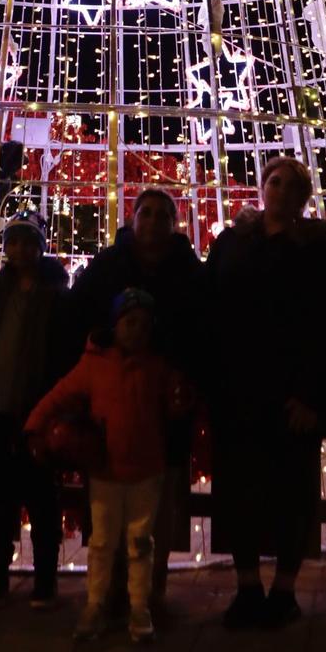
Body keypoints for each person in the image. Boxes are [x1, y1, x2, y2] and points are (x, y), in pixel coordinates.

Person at [204, 156, 326, 630]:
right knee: (238, 490)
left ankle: (284, 589)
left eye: (293, 185)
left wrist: (314, 395)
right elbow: (211, 308)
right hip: (239, 390)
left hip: (294, 393)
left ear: (305, 196)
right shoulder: (233, 241)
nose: (282, 191)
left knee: (292, 492)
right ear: (263, 186)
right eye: (274, 181)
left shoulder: (318, 248)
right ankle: (247, 585)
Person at [26, 287, 189, 645]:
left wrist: (179, 399)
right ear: (116, 325)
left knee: (139, 542)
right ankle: (96, 603)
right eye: (129, 323)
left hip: (147, 469)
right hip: (106, 469)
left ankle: (139, 605)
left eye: (143, 326)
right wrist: (35, 426)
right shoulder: (96, 364)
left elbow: (176, 405)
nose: (136, 332)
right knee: (102, 541)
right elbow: (61, 393)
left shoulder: (157, 366)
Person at [66, 187, 203, 610]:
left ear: (175, 223)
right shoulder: (109, 266)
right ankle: (108, 589)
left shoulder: (187, 270)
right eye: (146, 213)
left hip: (165, 403)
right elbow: (78, 315)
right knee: (109, 503)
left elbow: (204, 328)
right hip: (115, 401)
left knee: (156, 505)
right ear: (132, 218)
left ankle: (148, 591)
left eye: (164, 214)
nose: (154, 222)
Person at [0, 211, 69, 609]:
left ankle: (45, 577)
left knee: (43, 499)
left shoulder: (55, 295)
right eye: (13, 242)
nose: (19, 250)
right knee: (0, 497)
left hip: (38, 410)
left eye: (28, 242)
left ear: (40, 247)